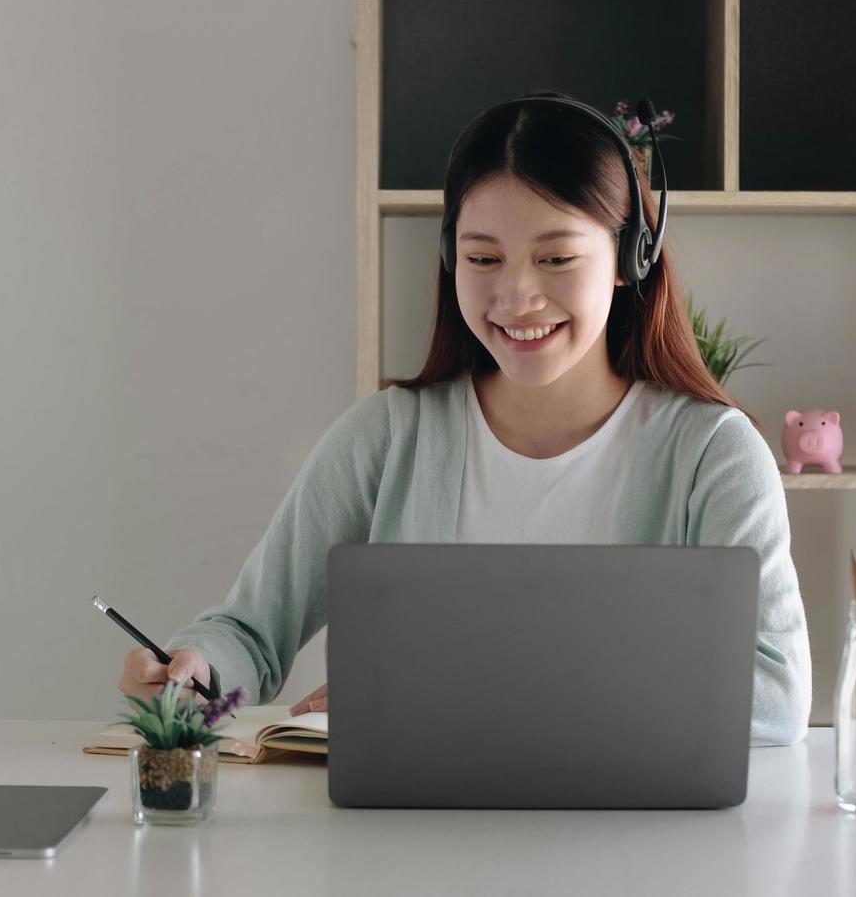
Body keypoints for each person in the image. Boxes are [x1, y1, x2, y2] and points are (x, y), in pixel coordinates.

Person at [119, 91, 811, 745]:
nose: (516, 296)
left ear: (632, 259)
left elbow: (777, 698)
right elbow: (249, 633)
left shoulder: (713, 454)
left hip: (632, 851)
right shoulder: (385, 439)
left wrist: (463, 690)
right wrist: (194, 670)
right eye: (483, 258)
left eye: (557, 258)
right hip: (411, 852)